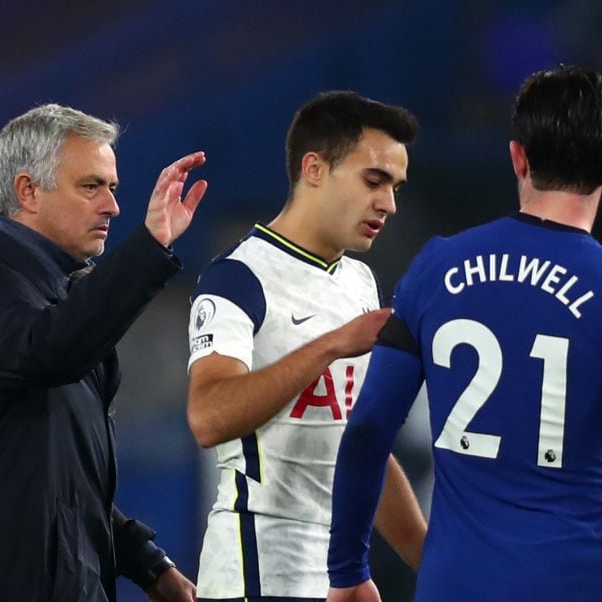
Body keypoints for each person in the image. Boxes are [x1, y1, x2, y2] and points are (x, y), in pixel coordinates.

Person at [326, 66, 602, 601]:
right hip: (570, 585)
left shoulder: (435, 268)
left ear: (517, 157)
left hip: (453, 586)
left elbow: (367, 430)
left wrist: (348, 571)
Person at [0, 103, 205, 602]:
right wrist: (148, 248)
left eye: (113, 188)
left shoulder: (57, 295)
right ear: (27, 191)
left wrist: (146, 562)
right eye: (91, 186)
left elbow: (64, 485)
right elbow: (50, 350)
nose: (113, 206)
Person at [185, 91, 427, 602]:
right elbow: (208, 415)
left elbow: (359, 444)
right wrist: (332, 344)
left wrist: (436, 564)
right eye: (374, 180)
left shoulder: (359, 281)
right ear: (314, 169)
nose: (389, 203)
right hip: (255, 573)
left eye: (396, 187)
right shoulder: (237, 278)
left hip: (337, 573)